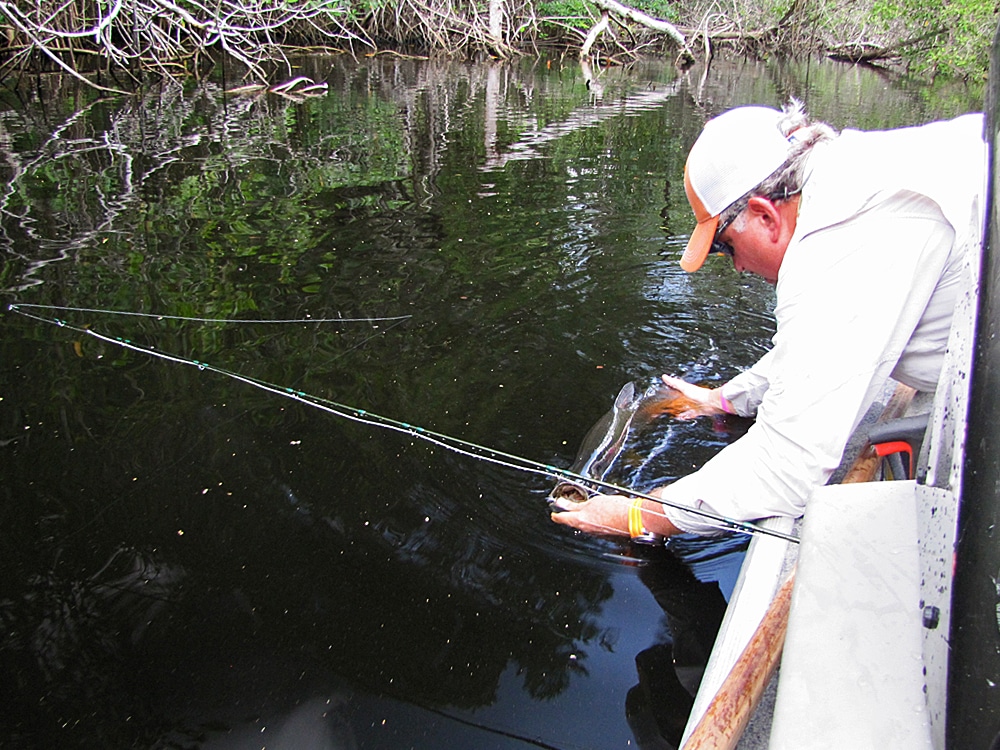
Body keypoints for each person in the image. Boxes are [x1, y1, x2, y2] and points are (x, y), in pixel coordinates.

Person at [551, 101, 987, 540]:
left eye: (724, 245)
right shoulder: (852, 179)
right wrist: (723, 400)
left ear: (764, 214)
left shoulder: (840, 238)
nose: (736, 266)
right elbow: (816, 347)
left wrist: (636, 516)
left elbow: (788, 466)